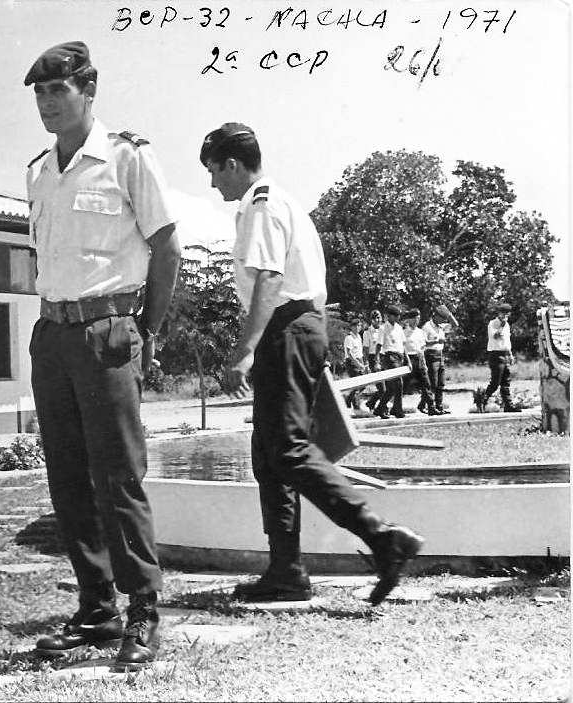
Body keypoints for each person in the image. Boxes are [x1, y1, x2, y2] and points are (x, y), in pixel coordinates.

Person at [200, 122, 423, 606]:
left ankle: (381, 535)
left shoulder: (261, 205)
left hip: (286, 327)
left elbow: (268, 280)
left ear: (232, 164)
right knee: (270, 454)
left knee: (287, 449)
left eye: (213, 171)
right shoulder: (280, 201)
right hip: (296, 328)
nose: (212, 183)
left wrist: (245, 350)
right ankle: (286, 570)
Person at [23, 41, 181, 671]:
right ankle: (96, 608)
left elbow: (168, 247)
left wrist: (149, 330)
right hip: (53, 334)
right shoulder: (38, 170)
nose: (47, 103)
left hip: (108, 330)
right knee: (66, 476)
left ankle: (143, 610)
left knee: (118, 475)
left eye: (58, 90)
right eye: (39, 93)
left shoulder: (126, 157)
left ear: (89, 91)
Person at [480, 302, 520, 412]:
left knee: (506, 382)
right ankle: (482, 401)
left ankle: (508, 405)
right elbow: (495, 336)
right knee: (495, 382)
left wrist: (510, 355)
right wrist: (501, 326)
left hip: (505, 354)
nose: (505, 316)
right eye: (503, 313)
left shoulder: (507, 325)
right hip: (496, 354)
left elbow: (507, 341)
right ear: (499, 313)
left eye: (507, 313)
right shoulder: (493, 323)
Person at [421, 304, 458, 414]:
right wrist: (436, 341)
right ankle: (425, 404)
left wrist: (449, 314)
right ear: (435, 316)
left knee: (441, 383)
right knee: (433, 383)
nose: (444, 321)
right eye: (442, 318)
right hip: (430, 355)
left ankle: (439, 406)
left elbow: (455, 325)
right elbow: (423, 342)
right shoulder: (427, 327)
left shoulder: (441, 326)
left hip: (440, 355)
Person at [373, 304, 406, 420]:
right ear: (389, 316)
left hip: (399, 357)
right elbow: (379, 345)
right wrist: (376, 361)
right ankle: (398, 410)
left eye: (398, 315)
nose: (397, 317)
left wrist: (407, 360)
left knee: (392, 388)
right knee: (399, 383)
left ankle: (379, 408)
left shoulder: (399, 328)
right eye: (395, 315)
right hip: (389, 357)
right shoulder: (383, 328)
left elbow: (403, 345)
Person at [402, 308, 437, 415]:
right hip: (408, 359)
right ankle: (392, 406)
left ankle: (431, 407)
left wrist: (423, 362)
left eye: (418, 318)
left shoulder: (420, 332)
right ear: (409, 319)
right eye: (414, 318)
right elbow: (402, 347)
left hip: (419, 359)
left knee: (426, 384)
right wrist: (407, 361)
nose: (416, 321)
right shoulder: (404, 332)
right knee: (403, 385)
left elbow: (422, 347)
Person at [342, 317, 367, 410]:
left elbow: (360, 352)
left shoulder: (359, 337)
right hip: (351, 362)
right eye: (355, 326)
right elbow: (349, 353)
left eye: (359, 325)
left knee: (364, 384)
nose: (357, 327)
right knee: (357, 384)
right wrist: (357, 363)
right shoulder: (349, 338)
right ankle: (356, 406)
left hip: (359, 360)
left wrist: (363, 364)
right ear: (351, 327)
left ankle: (348, 399)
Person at [361, 309, 383, 409]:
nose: (378, 320)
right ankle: (383, 408)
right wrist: (366, 364)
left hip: (384, 358)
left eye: (379, 317)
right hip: (373, 359)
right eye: (375, 318)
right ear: (371, 320)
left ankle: (371, 402)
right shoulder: (367, 332)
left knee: (388, 386)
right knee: (381, 386)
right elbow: (365, 349)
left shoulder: (384, 330)